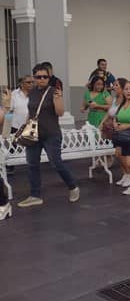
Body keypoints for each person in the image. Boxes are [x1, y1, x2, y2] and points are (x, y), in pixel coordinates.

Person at [17, 64, 79, 208]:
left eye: (45, 77)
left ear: (49, 78)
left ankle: (73, 186)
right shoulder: (31, 92)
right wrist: (26, 127)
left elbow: (60, 113)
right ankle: (35, 195)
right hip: (34, 134)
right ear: (34, 78)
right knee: (32, 164)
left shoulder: (54, 91)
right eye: (38, 77)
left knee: (56, 163)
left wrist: (58, 99)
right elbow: (31, 112)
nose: (42, 79)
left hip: (51, 134)